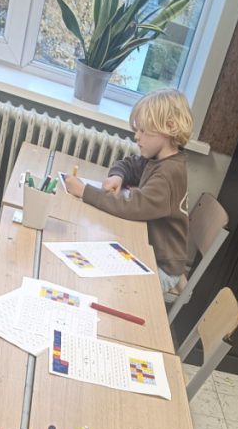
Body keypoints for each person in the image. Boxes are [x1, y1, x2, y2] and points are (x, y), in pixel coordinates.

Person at [63, 88, 191, 297]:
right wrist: (118, 176)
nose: (136, 136)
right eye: (137, 130)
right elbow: (129, 165)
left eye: (143, 131)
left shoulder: (168, 174)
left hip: (161, 268)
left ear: (169, 127)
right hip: (148, 251)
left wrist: (84, 191)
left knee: (109, 286)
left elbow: (132, 207)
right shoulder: (159, 159)